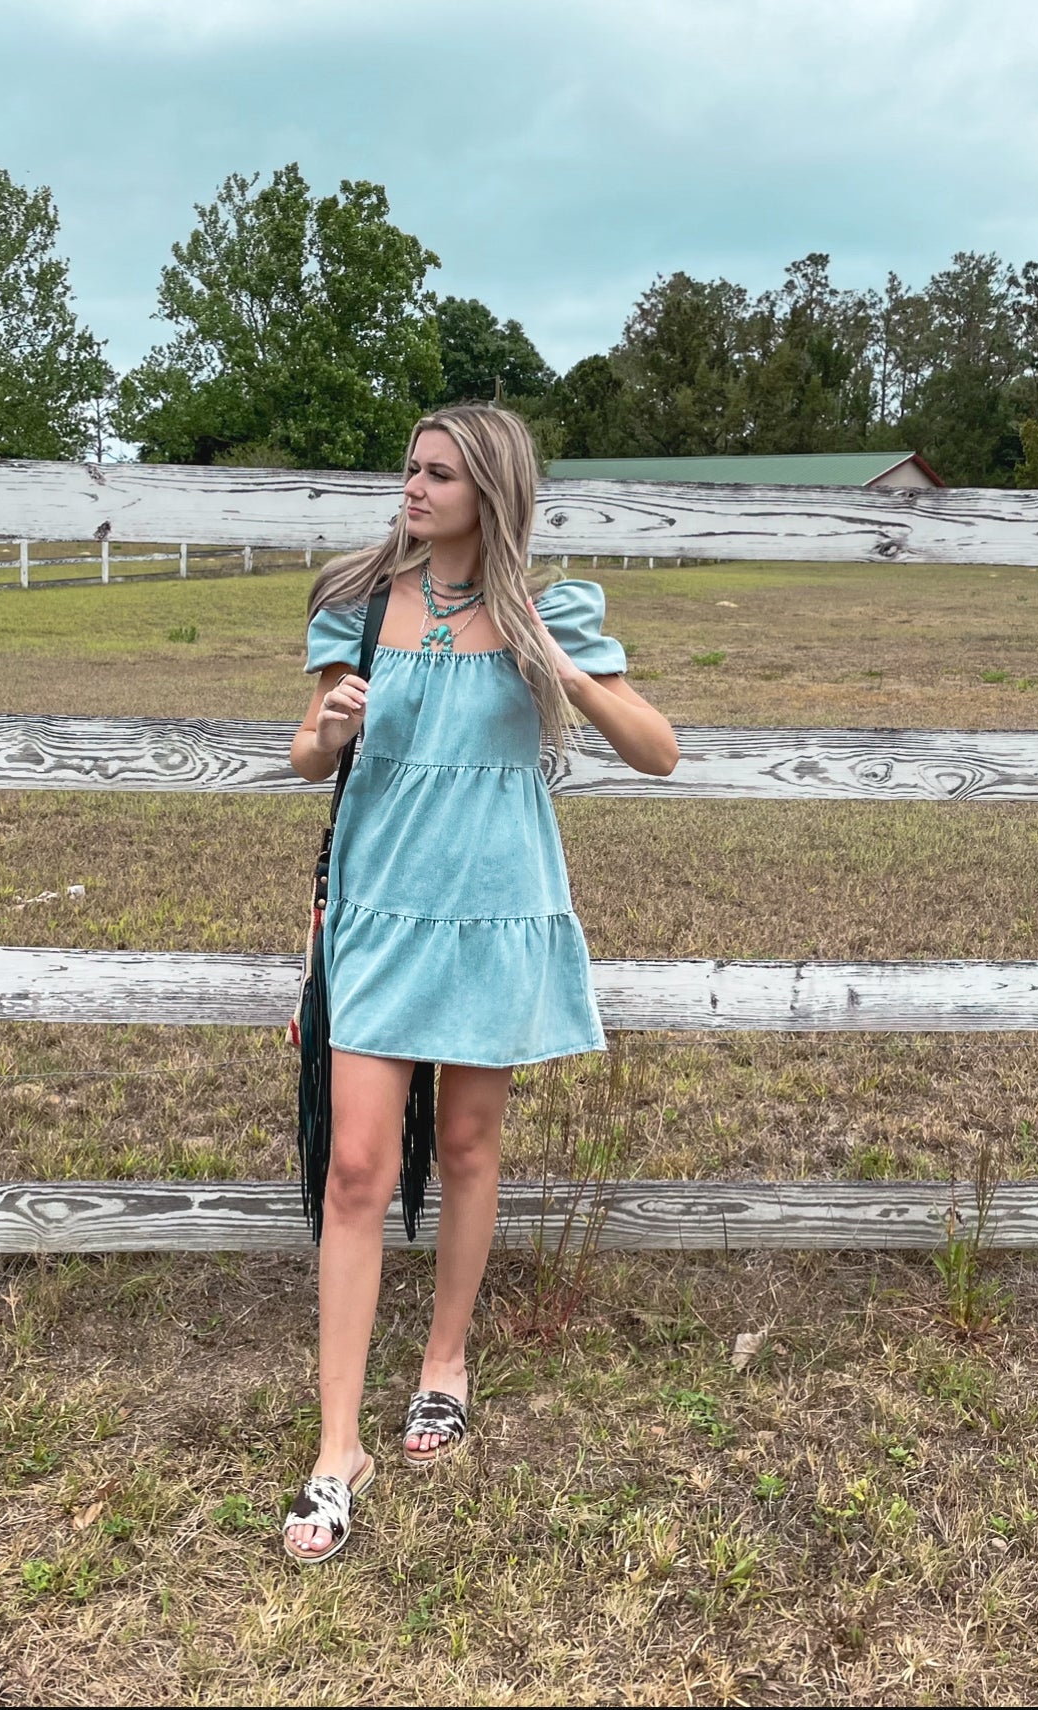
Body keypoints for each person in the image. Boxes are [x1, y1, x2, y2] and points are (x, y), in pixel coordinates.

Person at [282, 403, 679, 1562]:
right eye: (409, 467)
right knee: (358, 1164)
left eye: (438, 473)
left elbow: (657, 750)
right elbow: (306, 755)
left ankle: (444, 1362)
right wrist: (332, 724)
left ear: (489, 491)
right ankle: (336, 1446)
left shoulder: (552, 609)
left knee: (465, 1144)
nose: (412, 488)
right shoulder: (355, 599)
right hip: (381, 908)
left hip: (495, 909)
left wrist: (552, 661)